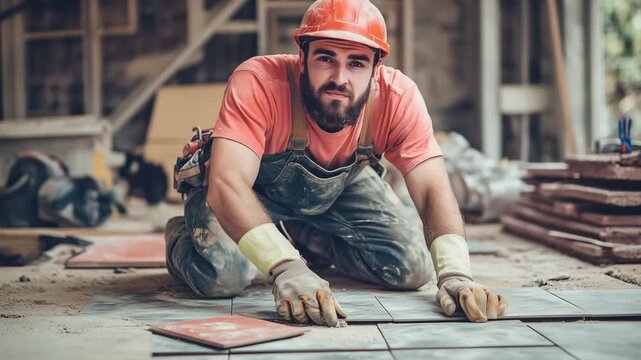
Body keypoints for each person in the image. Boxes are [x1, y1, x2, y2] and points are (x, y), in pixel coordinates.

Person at [165, 0, 508, 327]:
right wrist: (285, 267)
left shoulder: (398, 98)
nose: (339, 78)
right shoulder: (259, 81)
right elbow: (227, 185)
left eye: (356, 63)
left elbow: (434, 188)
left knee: (410, 268)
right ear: (303, 57)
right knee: (223, 274)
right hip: (247, 192)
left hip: (337, 190)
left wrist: (456, 273)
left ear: (376, 69)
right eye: (326, 58)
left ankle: (300, 233)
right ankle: (185, 235)